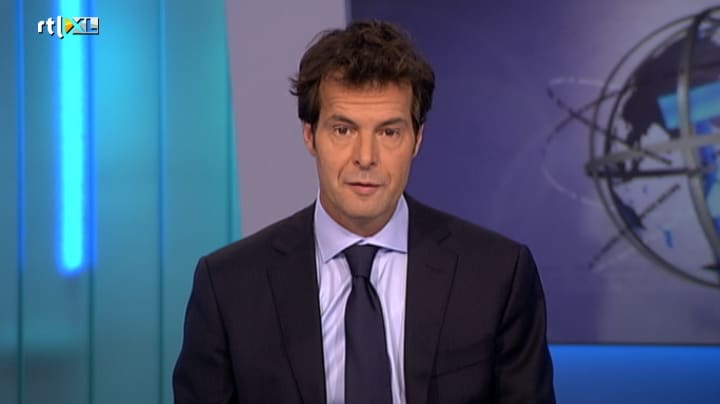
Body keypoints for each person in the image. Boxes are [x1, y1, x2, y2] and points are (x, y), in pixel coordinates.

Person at [173, 20, 555, 404]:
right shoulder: (229, 287)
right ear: (310, 135)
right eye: (343, 130)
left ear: (417, 139)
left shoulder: (497, 276)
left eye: (389, 132)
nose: (366, 157)